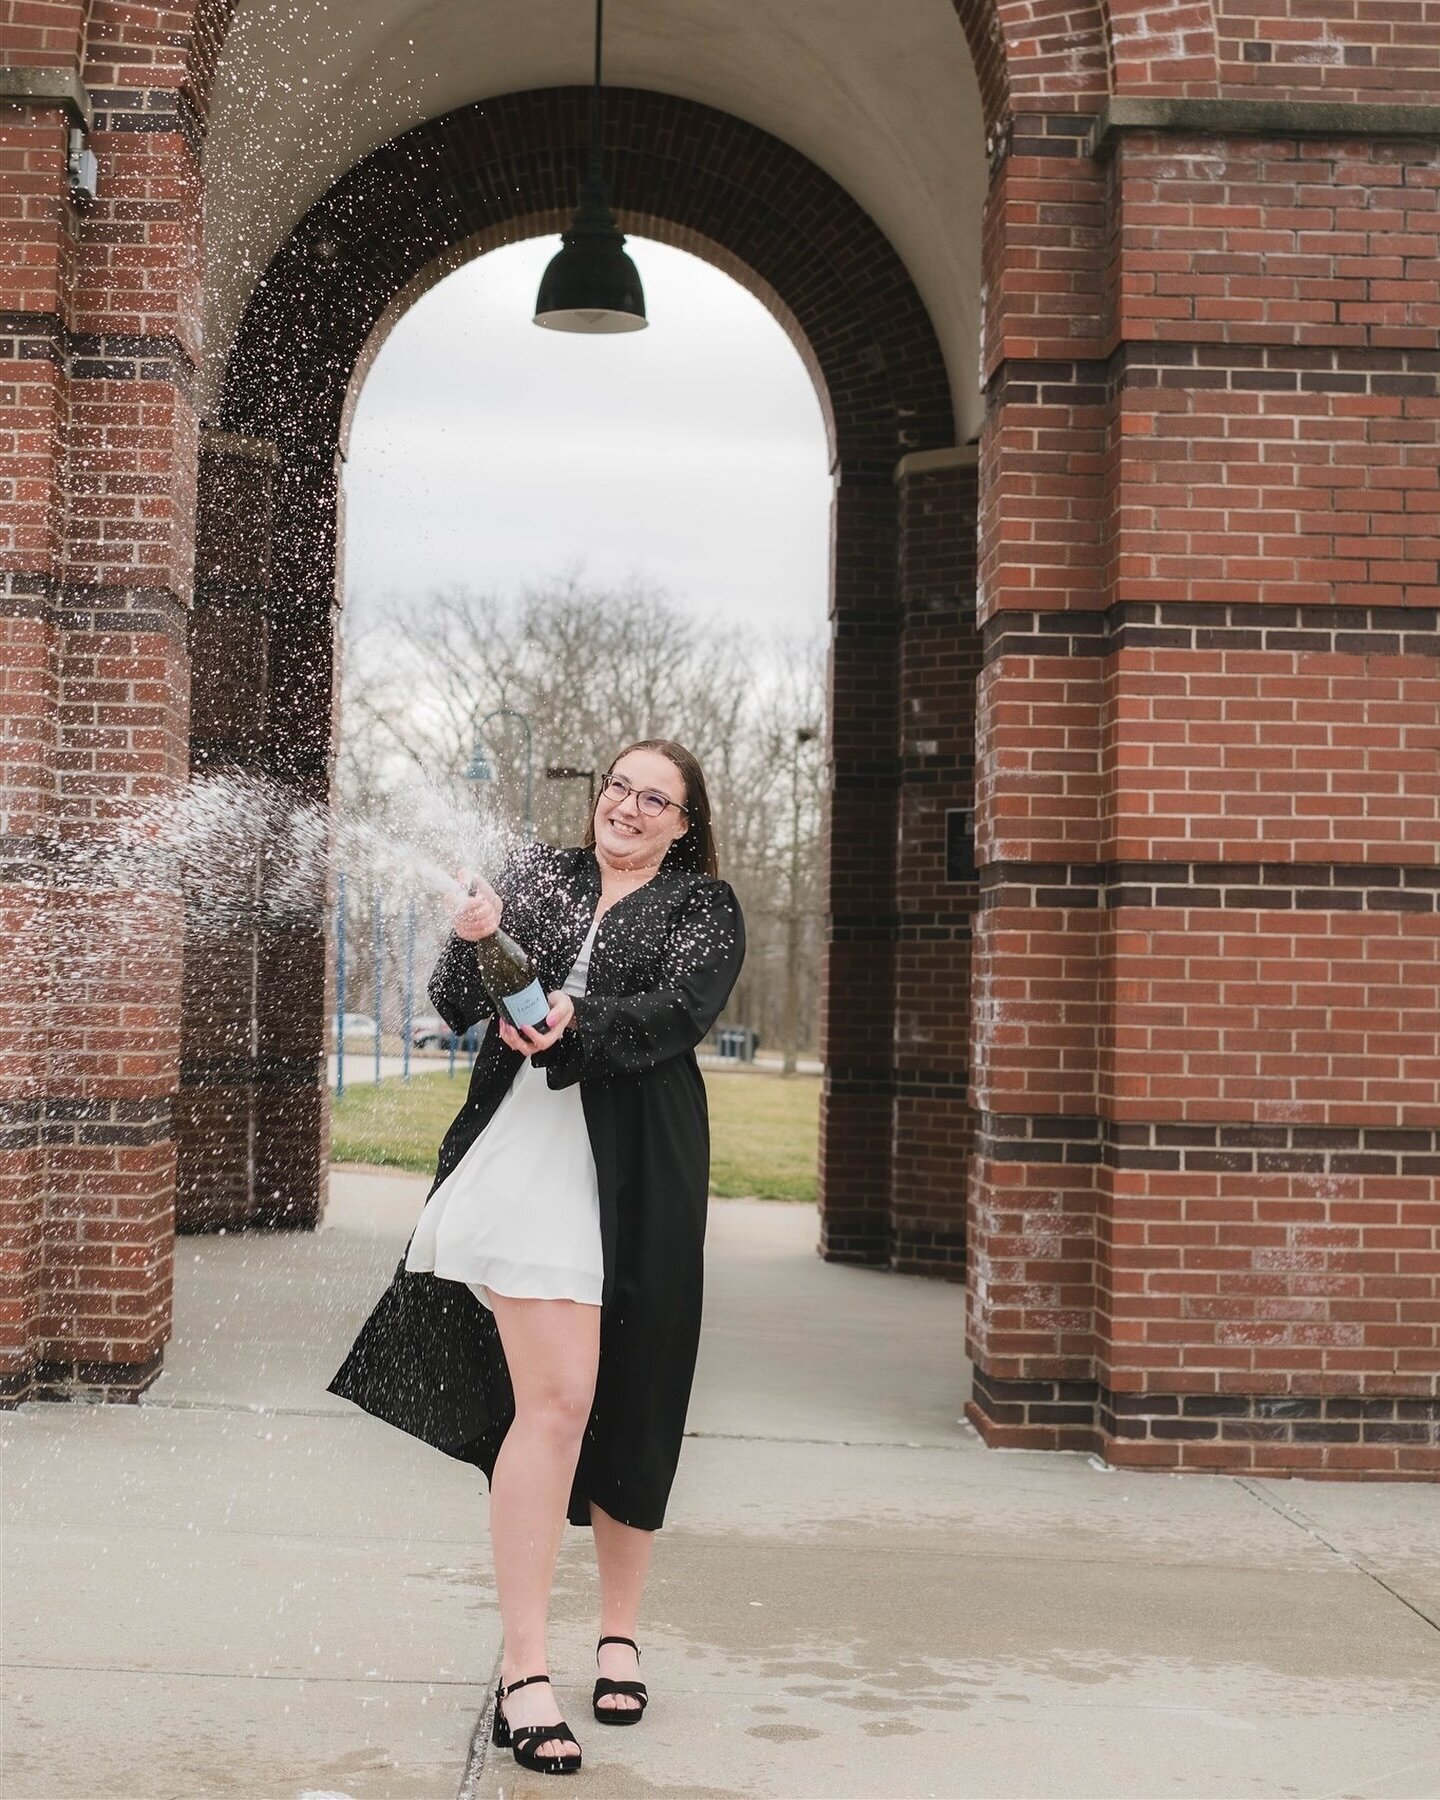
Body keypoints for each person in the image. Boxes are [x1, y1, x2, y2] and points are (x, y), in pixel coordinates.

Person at [328, 739, 745, 1777]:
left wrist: (576, 1018)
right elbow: (456, 997)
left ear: (686, 823)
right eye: (618, 788)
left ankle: (618, 1633)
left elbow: (676, 1016)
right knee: (556, 1404)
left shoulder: (706, 906)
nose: (630, 808)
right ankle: (525, 1670)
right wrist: (479, 937)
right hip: (525, 1164)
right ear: (597, 794)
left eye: (657, 800)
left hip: (641, 1171)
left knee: (636, 1398)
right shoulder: (540, 881)